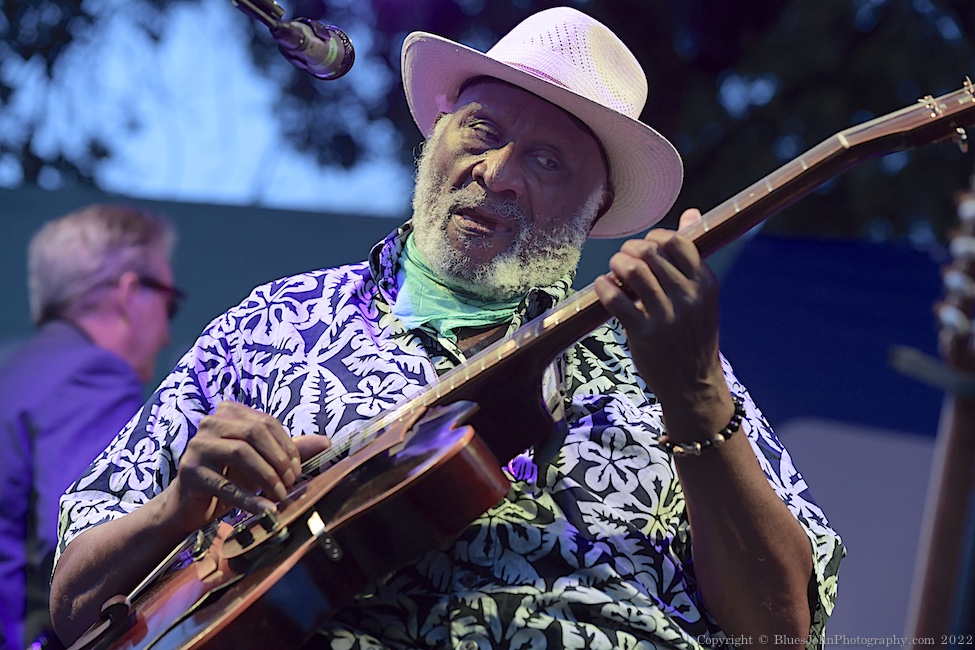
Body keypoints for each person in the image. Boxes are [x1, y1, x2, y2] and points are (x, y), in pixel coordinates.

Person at [50, 7, 844, 649]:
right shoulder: (273, 324)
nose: (495, 174)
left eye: (545, 162)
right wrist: (179, 506)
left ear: (595, 209)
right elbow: (75, 605)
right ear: (435, 136)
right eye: (482, 131)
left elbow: (778, 631)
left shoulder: (666, 352)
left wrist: (694, 393)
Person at [0, 204, 181, 650]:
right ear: (128, 292)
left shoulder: (14, 369)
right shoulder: (94, 374)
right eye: (169, 306)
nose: (165, 336)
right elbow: (80, 550)